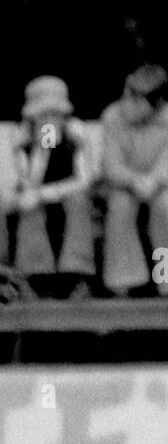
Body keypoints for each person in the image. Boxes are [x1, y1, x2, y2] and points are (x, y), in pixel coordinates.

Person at [100, 64, 168, 295]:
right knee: (120, 205)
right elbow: (111, 164)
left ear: (154, 104)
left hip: (157, 184)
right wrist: (133, 181)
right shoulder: (111, 116)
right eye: (127, 95)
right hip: (123, 184)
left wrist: (154, 181)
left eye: (136, 99)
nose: (127, 103)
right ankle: (122, 281)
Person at [5, 77, 96, 294]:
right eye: (43, 115)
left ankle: (77, 274)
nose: (49, 121)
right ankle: (32, 275)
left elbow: (84, 180)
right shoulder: (20, 137)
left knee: (77, 202)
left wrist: (46, 193)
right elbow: (27, 184)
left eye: (54, 114)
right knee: (30, 207)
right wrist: (42, 150)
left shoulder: (76, 133)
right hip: (35, 197)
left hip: (70, 194)